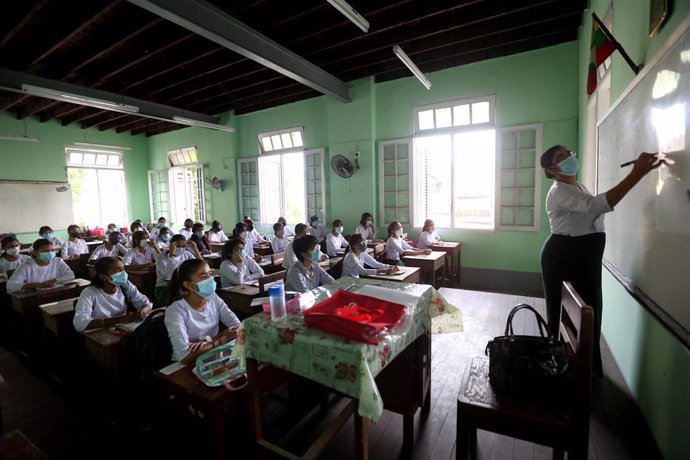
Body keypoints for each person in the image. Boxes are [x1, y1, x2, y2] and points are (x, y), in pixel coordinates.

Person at [539, 146, 661, 378]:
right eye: (562, 157)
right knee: (562, 311)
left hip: (585, 254)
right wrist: (637, 173)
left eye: (569, 152)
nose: (571, 158)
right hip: (563, 255)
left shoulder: (578, 186)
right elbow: (596, 206)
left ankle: (585, 368)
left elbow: (593, 207)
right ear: (552, 170)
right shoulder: (558, 192)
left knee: (590, 307)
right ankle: (560, 366)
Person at [164, 259, 240, 363]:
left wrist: (209, 342)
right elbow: (184, 356)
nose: (210, 279)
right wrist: (221, 339)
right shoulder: (175, 311)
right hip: (186, 365)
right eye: (203, 277)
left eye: (210, 274)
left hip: (213, 354)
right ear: (189, 285)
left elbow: (237, 326)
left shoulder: (212, 297)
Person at [73, 257, 153, 332]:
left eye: (123, 269)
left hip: (121, 330)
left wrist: (143, 311)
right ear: (103, 277)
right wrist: (118, 319)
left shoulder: (125, 286)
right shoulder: (89, 293)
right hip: (99, 334)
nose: (123, 273)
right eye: (117, 271)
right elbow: (79, 323)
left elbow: (146, 303)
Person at [7, 239, 75, 293]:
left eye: (52, 250)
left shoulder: (58, 261)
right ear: (35, 252)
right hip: (36, 297)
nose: (50, 253)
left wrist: (53, 281)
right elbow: (11, 285)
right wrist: (38, 284)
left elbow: (70, 275)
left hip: (56, 293)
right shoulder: (27, 266)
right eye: (46, 251)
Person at [154, 234, 202, 306]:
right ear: (171, 245)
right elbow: (168, 276)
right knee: (185, 300)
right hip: (164, 288)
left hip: (183, 285)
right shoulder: (161, 257)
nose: (181, 249)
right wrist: (171, 255)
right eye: (178, 246)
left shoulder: (186, 254)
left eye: (183, 246)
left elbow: (200, 264)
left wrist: (195, 248)